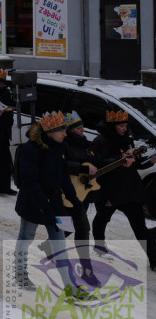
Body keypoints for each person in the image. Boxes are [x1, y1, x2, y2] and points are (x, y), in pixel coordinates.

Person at [13, 112, 82, 293]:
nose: (65, 134)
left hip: (56, 203)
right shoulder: (31, 149)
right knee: (26, 237)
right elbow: (30, 183)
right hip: (34, 203)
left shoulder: (59, 147)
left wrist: (74, 199)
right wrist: (45, 208)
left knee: (59, 243)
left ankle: (70, 287)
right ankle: (20, 274)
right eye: (62, 131)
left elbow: (64, 175)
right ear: (50, 131)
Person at [91, 110, 155, 267]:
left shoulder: (127, 140)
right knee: (102, 219)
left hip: (130, 190)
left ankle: (154, 259)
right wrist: (119, 160)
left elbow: (136, 163)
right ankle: (99, 246)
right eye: (121, 126)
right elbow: (99, 163)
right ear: (112, 126)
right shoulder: (100, 140)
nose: (125, 129)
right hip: (110, 190)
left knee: (140, 227)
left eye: (126, 125)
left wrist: (151, 161)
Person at [61, 111, 101, 286]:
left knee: (71, 229)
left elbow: (95, 163)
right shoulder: (63, 144)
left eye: (82, 126)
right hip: (67, 194)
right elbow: (60, 165)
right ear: (69, 130)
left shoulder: (85, 144)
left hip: (82, 193)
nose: (82, 129)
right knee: (82, 228)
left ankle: (51, 247)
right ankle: (86, 272)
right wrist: (82, 169)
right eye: (78, 128)